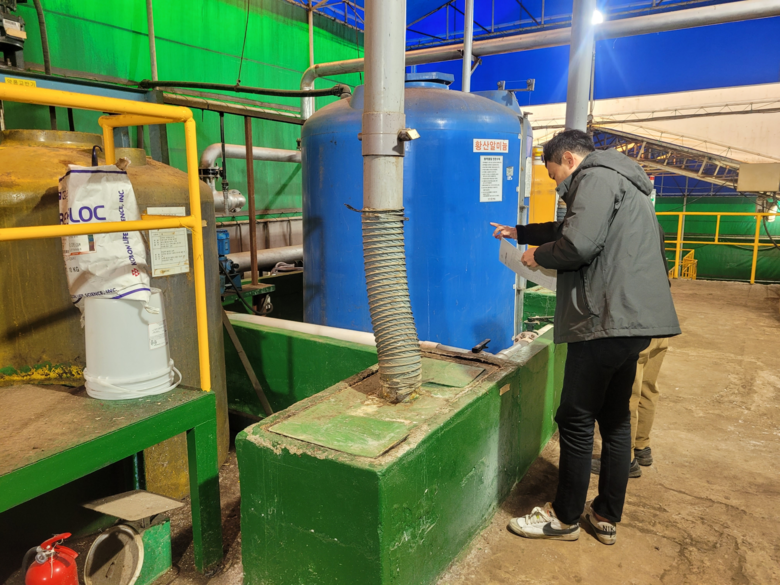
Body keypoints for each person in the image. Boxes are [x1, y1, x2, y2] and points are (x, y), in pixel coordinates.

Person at [490, 129, 680, 545]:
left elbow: (577, 244)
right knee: (614, 418)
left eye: (554, 175)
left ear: (568, 160)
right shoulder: (624, 181)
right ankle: (606, 514)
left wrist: (536, 255)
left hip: (603, 320)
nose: (556, 184)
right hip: (635, 322)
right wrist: (521, 232)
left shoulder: (594, 177)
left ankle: (564, 518)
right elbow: (573, 227)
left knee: (575, 419)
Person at [592, 337, 670, 478]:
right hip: (660, 333)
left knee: (628, 394)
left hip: (637, 334)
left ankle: (623, 458)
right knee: (647, 388)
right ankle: (641, 446)